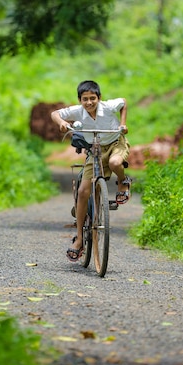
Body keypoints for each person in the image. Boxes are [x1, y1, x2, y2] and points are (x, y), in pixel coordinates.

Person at [51, 80, 132, 261]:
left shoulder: (108, 106)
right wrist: (62, 123)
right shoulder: (78, 111)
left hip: (115, 144)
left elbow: (124, 102)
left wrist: (123, 125)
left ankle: (123, 182)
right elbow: (54, 113)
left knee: (115, 162)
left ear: (99, 98)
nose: (89, 103)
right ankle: (79, 238)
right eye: (85, 99)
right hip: (94, 149)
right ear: (80, 100)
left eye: (92, 98)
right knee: (83, 191)